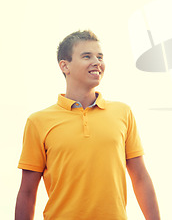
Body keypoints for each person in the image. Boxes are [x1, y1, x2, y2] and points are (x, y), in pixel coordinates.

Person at [15, 30, 161, 220]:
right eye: (87, 56)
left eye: (100, 56)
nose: (97, 62)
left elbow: (140, 177)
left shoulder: (122, 113)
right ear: (65, 66)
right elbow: (27, 191)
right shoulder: (38, 122)